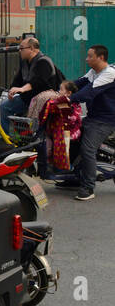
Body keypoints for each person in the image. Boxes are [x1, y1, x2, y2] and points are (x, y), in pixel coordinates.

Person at [65, 44, 115, 200]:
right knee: (73, 140)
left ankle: (88, 187)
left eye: (90, 56)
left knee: (88, 149)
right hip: (93, 117)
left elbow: (89, 92)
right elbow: (78, 83)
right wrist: (59, 89)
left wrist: (68, 99)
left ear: (100, 58)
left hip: (105, 120)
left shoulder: (109, 74)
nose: (86, 59)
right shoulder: (94, 71)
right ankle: (75, 178)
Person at [0, 36, 57, 131]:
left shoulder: (44, 62)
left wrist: (22, 89)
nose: (19, 51)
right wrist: (12, 90)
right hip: (28, 98)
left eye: (21, 48)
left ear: (32, 49)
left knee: (5, 107)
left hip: (42, 102)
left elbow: (38, 81)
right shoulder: (25, 62)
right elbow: (18, 79)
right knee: (4, 105)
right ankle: (13, 138)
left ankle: (16, 138)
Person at [39, 80, 83, 181]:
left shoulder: (72, 103)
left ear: (68, 93)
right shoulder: (60, 101)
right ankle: (55, 165)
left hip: (71, 131)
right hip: (60, 129)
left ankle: (66, 167)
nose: (58, 91)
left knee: (62, 138)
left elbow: (73, 118)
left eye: (61, 89)